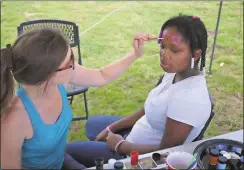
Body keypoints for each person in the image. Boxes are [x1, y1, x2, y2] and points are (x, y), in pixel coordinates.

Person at [65, 14, 212, 168]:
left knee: (65, 153)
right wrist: (112, 127)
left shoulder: (189, 98)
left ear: (196, 54)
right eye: (162, 46)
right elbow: (147, 110)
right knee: (93, 124)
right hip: (134, 135)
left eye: (174, 51)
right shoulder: (174, 73)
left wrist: (120, 145)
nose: (164, 54)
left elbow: (166, 152)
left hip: (135, 157)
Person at [0, 28, 149, 169]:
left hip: (60, 160)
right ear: (48, 75)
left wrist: (135, 54)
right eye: (70, 60)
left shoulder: (59, 80)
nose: (75, 61)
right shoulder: (14, 118)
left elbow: (101, 76)